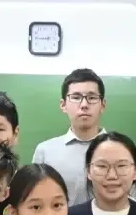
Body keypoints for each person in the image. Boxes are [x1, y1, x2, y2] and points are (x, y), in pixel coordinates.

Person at [31, 68, 108, 206]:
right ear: (63, 105)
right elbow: (35, 198)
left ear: (103, 105)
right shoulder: (45, 151)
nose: (84, 105)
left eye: (92, 98)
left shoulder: (121, 150)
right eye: (76, 97)